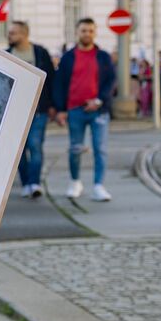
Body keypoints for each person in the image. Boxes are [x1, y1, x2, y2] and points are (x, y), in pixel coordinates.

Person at [53, 17, 116, 203]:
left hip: (98, 110)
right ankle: (75, 182)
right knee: (75, 149)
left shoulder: (103, 56)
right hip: (74, 109)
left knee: (100, 149)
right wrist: (60, 109)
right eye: (83, 30)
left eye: (90, 30)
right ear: (77, 33)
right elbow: (60, 84)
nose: (87, 34)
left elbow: (111, 82)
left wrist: (99, 100)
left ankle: (98, 186)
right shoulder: (68, 57)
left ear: (95, 33)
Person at [6, 20, 57, 199]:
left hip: (38, 109)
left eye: (13, 33)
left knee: (35, 146)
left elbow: (51, 79)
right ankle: (27, 182)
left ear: (24, 34)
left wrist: (53, 105)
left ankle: (35, 182)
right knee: (19, 150)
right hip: (15, 110)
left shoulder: (40, 53)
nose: (9, 36)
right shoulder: (7, 54)